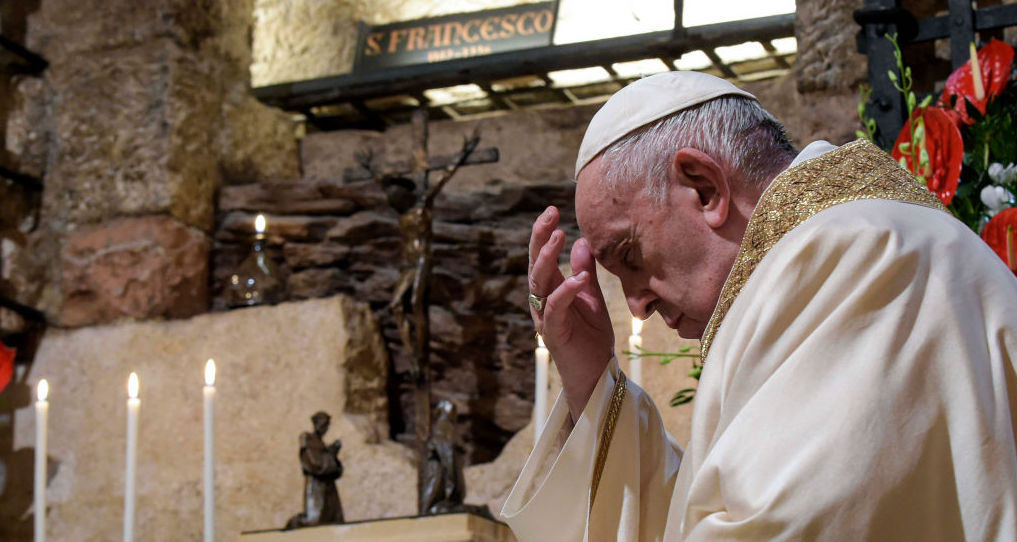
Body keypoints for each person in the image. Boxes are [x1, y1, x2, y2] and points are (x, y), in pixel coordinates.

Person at [500, 71, 1017, 541]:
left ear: (704, 189)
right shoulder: (834, 259)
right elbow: (713, 513)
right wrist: (592, 384)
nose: (636, 307)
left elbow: (790, 526)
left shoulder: (861, 258)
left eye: (630, 255)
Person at [286, 411, 344, 529]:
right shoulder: (307, 439)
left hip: (328, 487)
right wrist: (330, 455)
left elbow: (335, 468)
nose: (324, 428)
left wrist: (333, 455)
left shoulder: (322, 444)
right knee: (314, 520)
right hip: (316, 486)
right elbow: (314, 464)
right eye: (322, 425)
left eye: (327, 425)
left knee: (332, 519)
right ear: (315, 424)